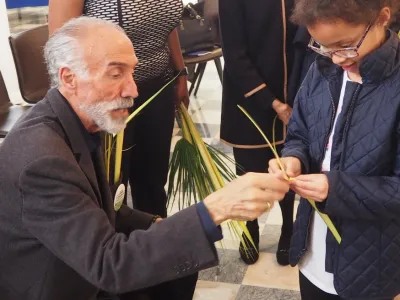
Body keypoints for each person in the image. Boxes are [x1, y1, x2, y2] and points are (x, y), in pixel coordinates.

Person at [0, 17, 290, 300]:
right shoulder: (42, 160)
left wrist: (157, 225)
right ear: (69, 78)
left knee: (176, 259)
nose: (133, 90)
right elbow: (109, 265)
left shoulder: (81, 119)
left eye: (132, 73)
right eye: (116, 74)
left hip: (80, 266)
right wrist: (214, 209)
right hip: (58, 286)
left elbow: (95, 205)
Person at [269, 0, 400, 299]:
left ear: (382, 18)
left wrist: (335, 189)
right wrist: (293, 158)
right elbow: (300, 131)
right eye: (323, 46)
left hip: (372, 262)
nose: (338, 59)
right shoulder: (323, 69)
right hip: (311, 253)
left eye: (346, 45)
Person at [218, 0, 298, 265]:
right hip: (250, 97)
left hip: (295, 92)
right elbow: (235, 56)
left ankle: (289, 229)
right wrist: (272, 102)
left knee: (289, 169)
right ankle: (249, 229)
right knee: (250, 171)